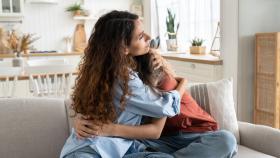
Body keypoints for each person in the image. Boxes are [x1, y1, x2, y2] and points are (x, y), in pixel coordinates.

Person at [60, 10, 187, 158]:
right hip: (91, 150)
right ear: (123, 48)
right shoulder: (123, 77)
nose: (149, 38)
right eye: (140, 36)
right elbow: (164, 106)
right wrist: (183, 82)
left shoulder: (101, 70)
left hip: (114, 149)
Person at [74, 51, 238, 158]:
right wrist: (81, 121)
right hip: (158, 143)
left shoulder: (156, 79)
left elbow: (157, 127)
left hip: (197, 135)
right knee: (127, 147)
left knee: (226, 140)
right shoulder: (127, 84)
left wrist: (111, 129)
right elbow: (103, 105)